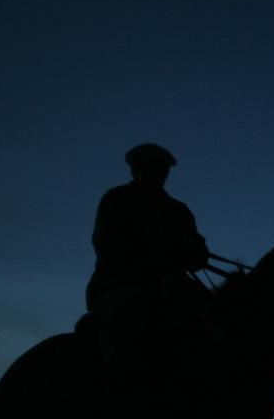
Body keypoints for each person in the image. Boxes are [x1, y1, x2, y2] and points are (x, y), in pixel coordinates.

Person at [85, 143, 210, 387]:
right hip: (117, 285)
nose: (159, 174)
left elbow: (198, 256)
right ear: (137, 170)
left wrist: (193, 250)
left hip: (171, 287)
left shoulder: (179, 210)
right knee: (133, 309)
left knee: (214, 315)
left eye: (163, 170)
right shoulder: (117, 199)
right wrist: (159, 260)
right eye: (153, 168)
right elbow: (107, 245)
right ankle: (116, 383)